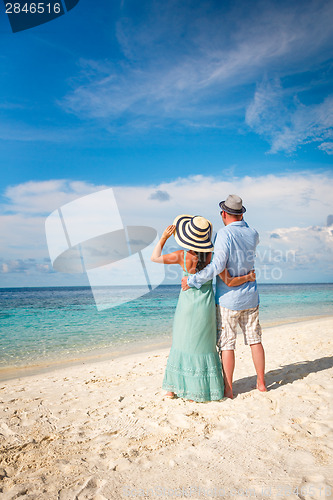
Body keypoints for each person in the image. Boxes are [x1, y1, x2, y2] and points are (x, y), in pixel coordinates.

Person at [151, 214, 256, 402]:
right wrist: (248, 277)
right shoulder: (213, 258)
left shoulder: (181, 256)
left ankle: (172, 389)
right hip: (205, 305)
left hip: (185, 305)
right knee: (202, 345)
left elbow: (154, 257)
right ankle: (198, 390)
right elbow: (229, 281)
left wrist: (164, 237)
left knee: (182, 342)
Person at [182, 195, 267, 399]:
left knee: (227, 344)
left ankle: (229, 388)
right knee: (255, 341)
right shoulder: (253, 233)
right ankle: (261, 383)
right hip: (250, 296)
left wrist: (194, 280)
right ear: (242, 213)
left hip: (229, 300)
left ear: (224, 214)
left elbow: (218, 266)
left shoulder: (224, 234)